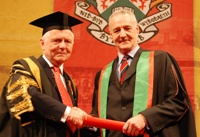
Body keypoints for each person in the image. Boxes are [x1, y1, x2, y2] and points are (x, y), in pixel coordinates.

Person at [86, 9, 197, 137]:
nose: (122, 34)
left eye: (127, 28)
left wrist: (145, 118)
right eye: (116, 30)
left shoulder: (160, 60)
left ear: (137, 29)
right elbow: (97, 116)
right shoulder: (103, 75)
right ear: (111, 35)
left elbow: (178, 102)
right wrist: (86, 120)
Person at [0, 11, 88, 137]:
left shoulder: (69, 82)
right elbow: (29, 95)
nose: (63, 46)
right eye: (57, 40)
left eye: (67, 41)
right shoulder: (25, 67)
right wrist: (67, 112)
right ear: (42, 43)